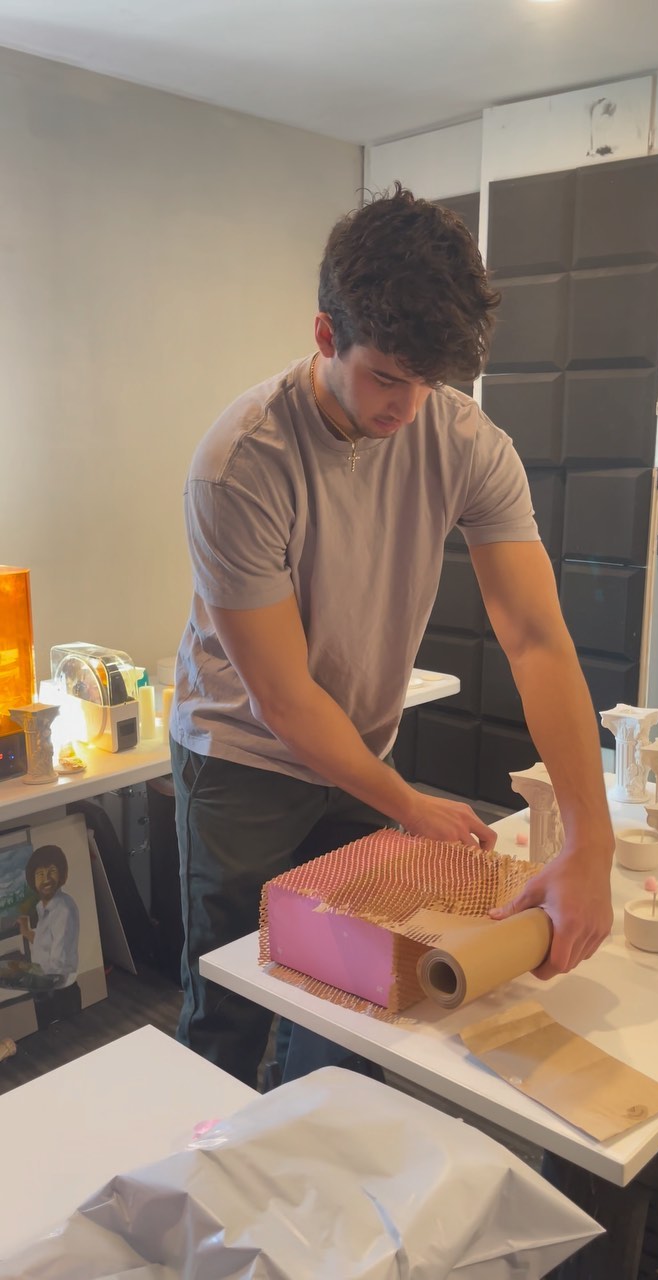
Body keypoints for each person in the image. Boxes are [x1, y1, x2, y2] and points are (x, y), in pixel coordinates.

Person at [170, 184, 615, 1090]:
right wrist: (408, 803)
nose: (408, 409)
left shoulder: (468, 442)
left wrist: (590, 843)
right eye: (386, 377)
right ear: (325, 335)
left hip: (360, 751)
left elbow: (535, 637)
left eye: (430, 382)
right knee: (232, 1001)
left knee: (360, 998)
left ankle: (316, 1149)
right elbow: (283, 698)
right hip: (243, 760)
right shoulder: (240, 464)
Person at [18, 844, 81, 1028]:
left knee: (65, 1040)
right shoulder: (45, 907)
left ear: (62, 874)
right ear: (33, 880)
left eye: (51, 871)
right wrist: (26, 932)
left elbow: (57, 961)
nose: (46, 879)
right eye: (40, 874)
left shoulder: (62, 910)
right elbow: (46, 943)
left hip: (60, 994)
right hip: (50, 990)